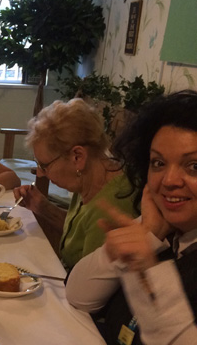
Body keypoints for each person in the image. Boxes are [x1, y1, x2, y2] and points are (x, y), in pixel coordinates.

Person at [66, 90, 197, 345]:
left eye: (193, 166)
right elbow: (78, 294)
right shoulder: (170, 234)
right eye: (158, 163)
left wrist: (149, 272)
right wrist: (147, 233)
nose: (169, 180)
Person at [12, 98, 136, 272]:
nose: (40, 173)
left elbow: (90, 287)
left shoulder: (111, 206)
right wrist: (43, 208)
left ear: (77, 157)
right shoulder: (90, 176)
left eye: (44, 165)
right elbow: (78, 233)